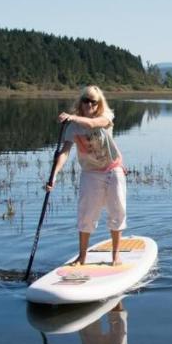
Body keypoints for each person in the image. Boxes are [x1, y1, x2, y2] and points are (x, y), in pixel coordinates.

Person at [47, 85, 127, 265]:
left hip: (112, 169)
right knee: (86, 215)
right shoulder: (73, 127)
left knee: (117, 211)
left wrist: (72, 117)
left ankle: (116, 256)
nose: (89, 104)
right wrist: (54, 174)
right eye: (86, 100)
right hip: (90, 172)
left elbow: (92, 124)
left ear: (98, 104)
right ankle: (82, 257)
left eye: (93, 101)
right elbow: (65, 152)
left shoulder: (106, 116)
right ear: (81, 102)